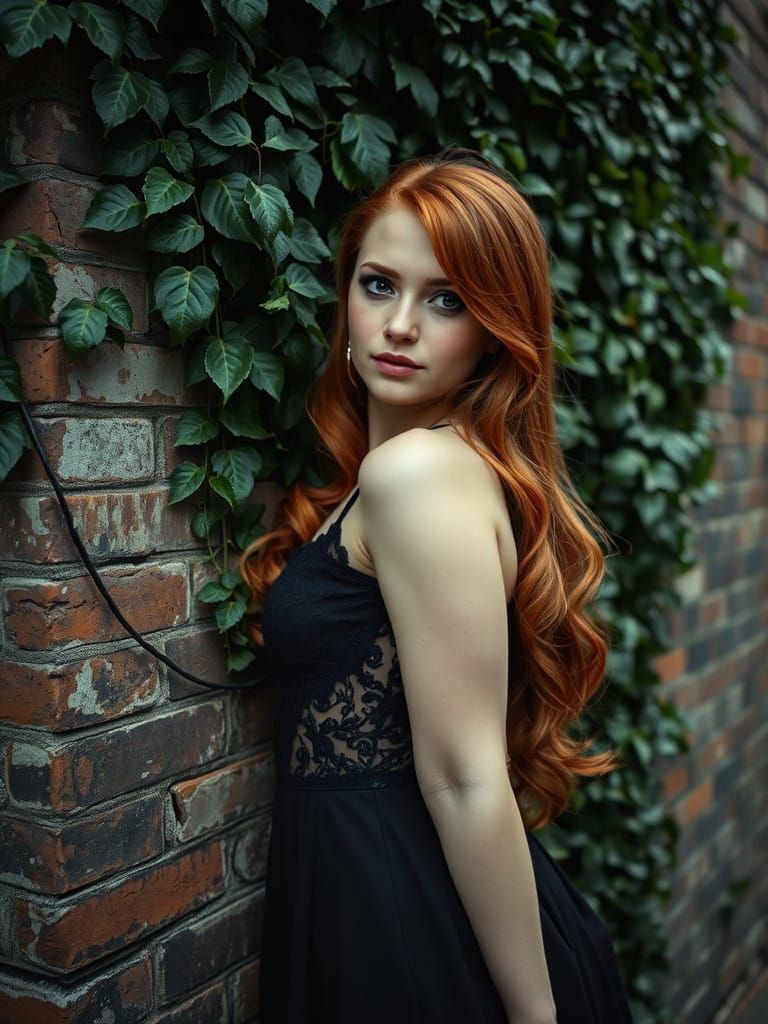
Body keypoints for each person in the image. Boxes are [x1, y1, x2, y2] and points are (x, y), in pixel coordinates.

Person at [240, 148, 634, 1024]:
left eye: (447, 299)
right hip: (375, 896)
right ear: (344, 298)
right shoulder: (407, 474)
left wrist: (536, 1017)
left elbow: (463, 774)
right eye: (379, 285)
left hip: (407, 924)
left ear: (496, 329)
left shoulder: (417, 473)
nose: (402, 324)